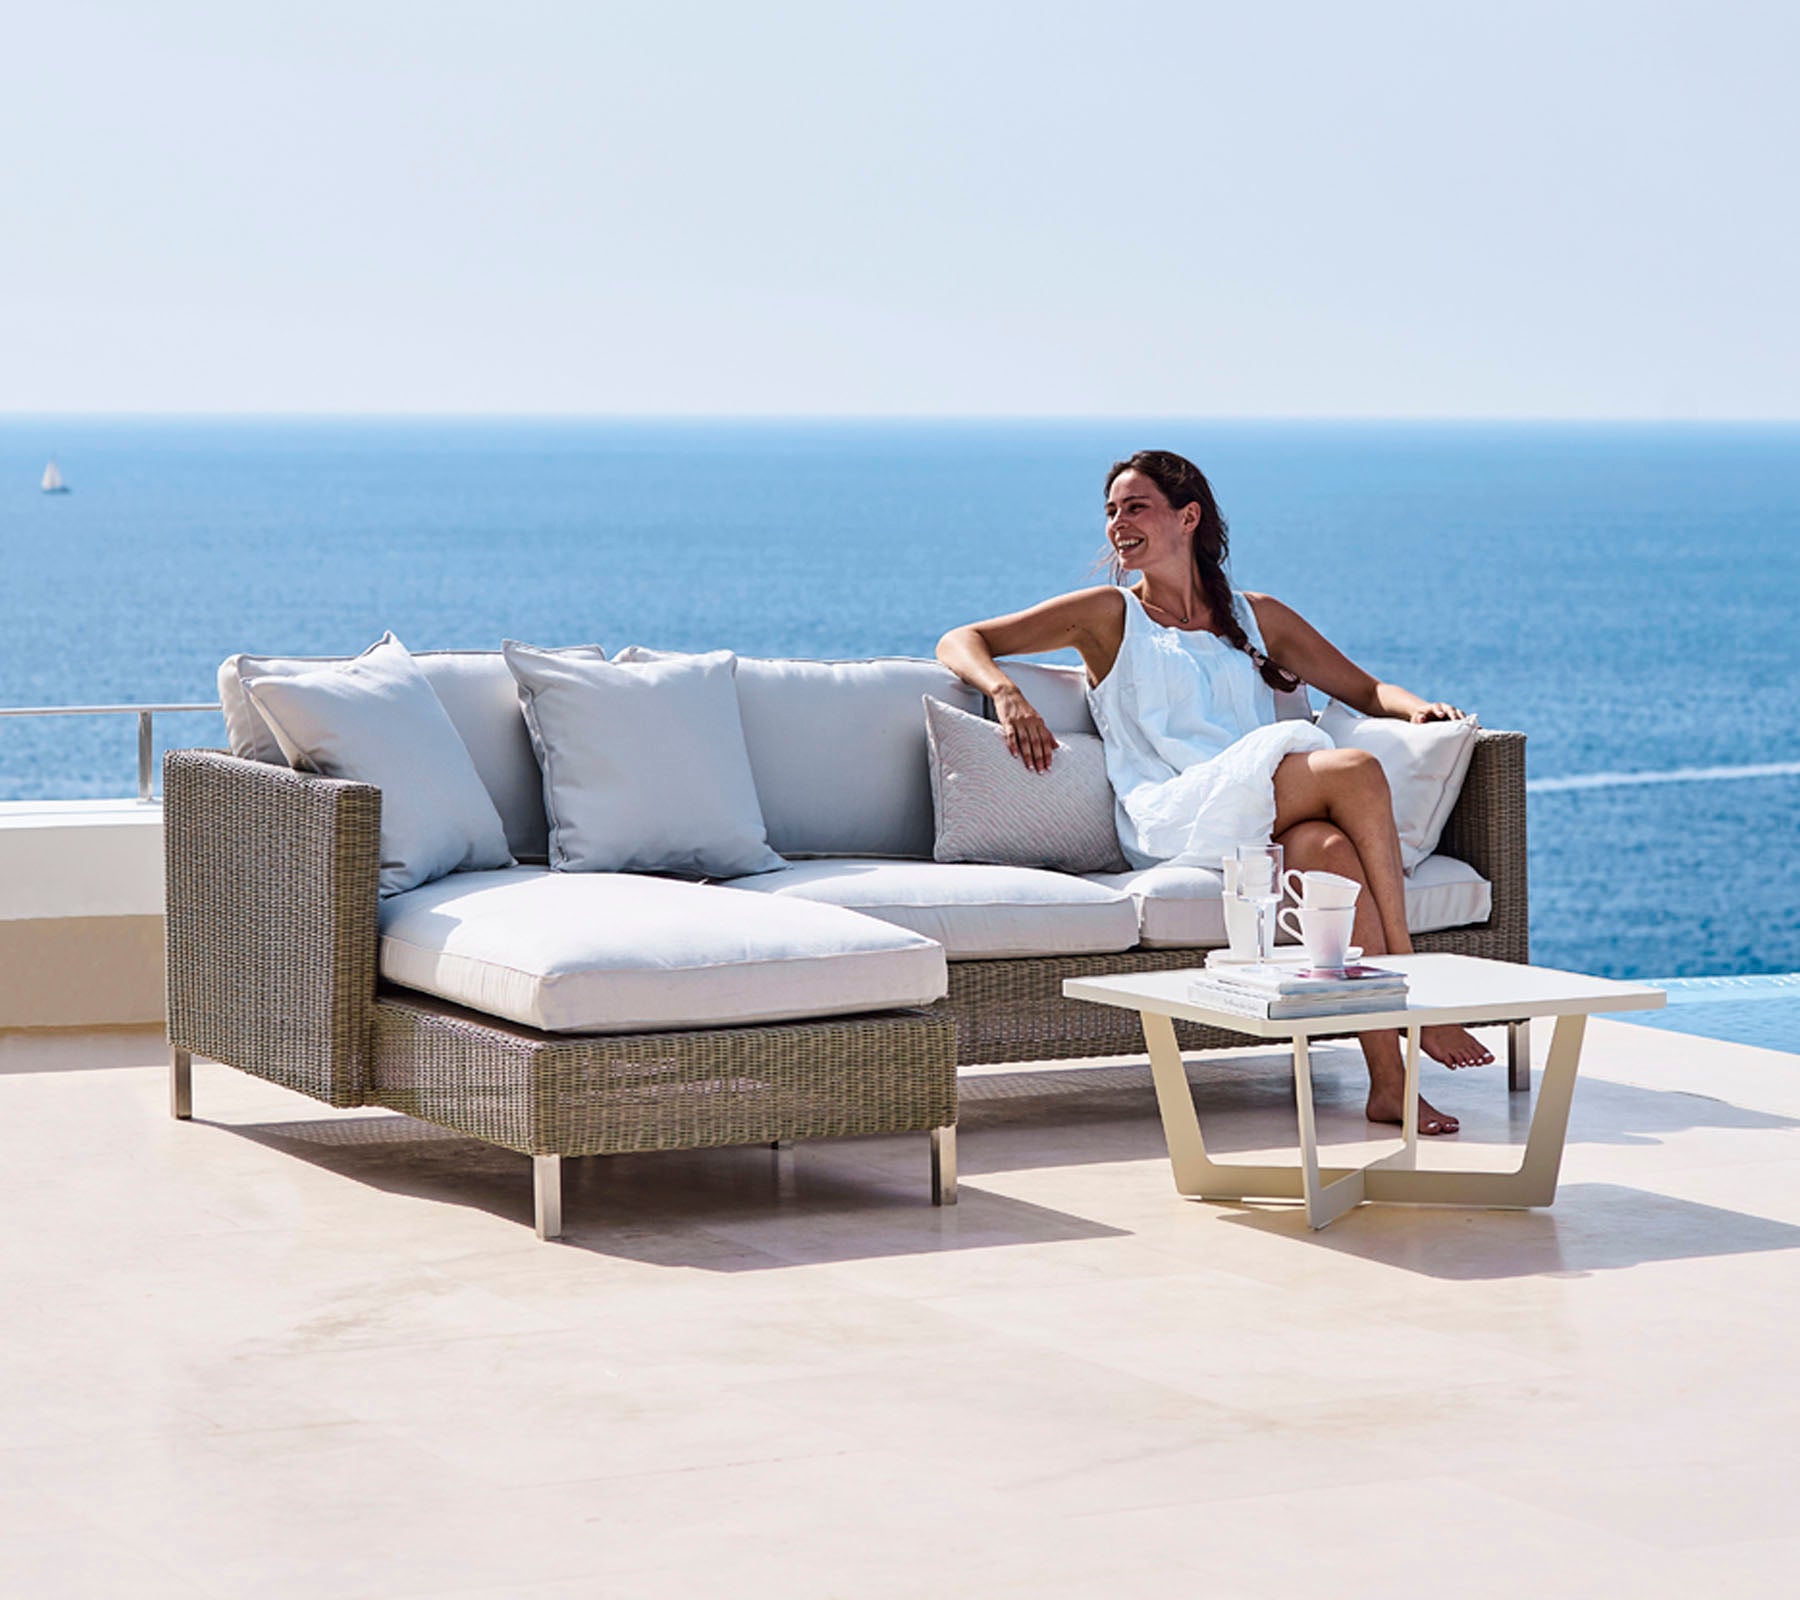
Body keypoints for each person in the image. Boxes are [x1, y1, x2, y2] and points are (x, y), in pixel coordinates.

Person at [936, 449, 1492, 1137]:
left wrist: (1416, 711)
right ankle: (1416, 984)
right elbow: (962, 639)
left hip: (1262, 806)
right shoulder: (1110, 615)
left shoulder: (1257, 617)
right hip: (1178, 810)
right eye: (1111, 511)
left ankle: (1389, 1084)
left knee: (1332, 859)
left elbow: (1364, 688)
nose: (1117, 523)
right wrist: (1006, 692)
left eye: (1135, 507)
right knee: (1353, 771)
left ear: (1187, 517)